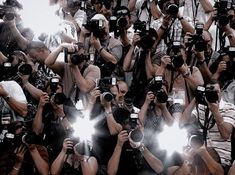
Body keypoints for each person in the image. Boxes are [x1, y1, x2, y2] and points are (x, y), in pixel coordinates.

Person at [180, 82, 235, 174]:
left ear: (221, 91)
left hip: (221, 158)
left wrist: (215, 112)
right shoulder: (201, 106)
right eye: (209, 92)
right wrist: (196, 99)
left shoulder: (229, 108)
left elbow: (226, 134)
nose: (213, 94)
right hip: (199, 154)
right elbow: (182, 122)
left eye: (215, 92)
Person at [79, 13, 123, 78]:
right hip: (89, 77)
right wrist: (82, 37)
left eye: (103, 24)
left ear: (108, 25)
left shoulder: (115, 43)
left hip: (108, 78)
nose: (101, 28)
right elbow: (79, 61)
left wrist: (99, 47)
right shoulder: (88, 40)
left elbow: (114, 60)